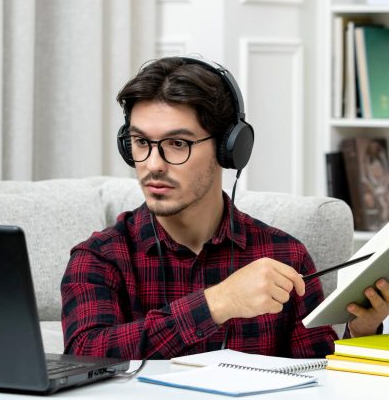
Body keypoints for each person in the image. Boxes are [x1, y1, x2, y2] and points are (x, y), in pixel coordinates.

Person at [61, 56, 389, 360]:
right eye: (142, 142)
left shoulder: (285, 256)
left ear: (227, 148)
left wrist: (360, 330)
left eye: (178, 144)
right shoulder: (99, 258)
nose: (153, 165)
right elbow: (85, 353)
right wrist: (219, 302)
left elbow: (320, 376)